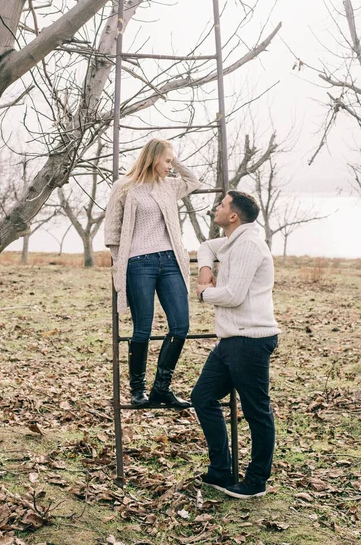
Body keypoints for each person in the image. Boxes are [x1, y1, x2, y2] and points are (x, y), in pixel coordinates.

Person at [191, 190, 280, 499]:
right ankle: (221, 471)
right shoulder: (232, 241)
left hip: (251, 339)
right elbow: (205, 246)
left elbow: (232, 295)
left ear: (233, 216)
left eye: (223, 204)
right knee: (202, 397)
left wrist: (203, 293)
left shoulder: (249, 245)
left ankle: (256, 481)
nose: (217, 206)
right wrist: (205, 269)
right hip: (231, 339)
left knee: (257, 412)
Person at [104, 138, 201, 409]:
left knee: (181, 326)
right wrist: (119, 262)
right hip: (138, 263)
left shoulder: (169, 186)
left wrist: (173, 158)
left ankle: (162, 388)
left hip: (171, 261)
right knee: (142, 329)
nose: (171, 167)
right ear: (153, 158)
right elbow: (112, 230)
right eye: (167, 161)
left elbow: (193, 180)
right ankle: (138, 390)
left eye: (172, 162)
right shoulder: (124, 187)